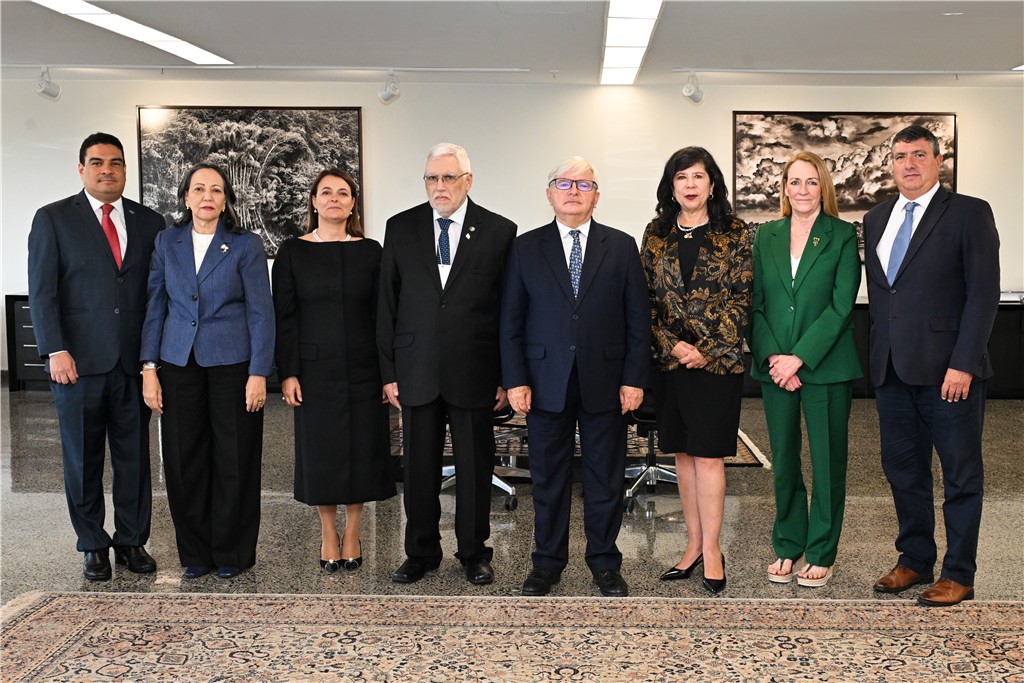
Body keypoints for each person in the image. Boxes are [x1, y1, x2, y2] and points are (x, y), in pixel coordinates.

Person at [501, 156, 649, 597]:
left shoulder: (620, 246)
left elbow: (638, 319)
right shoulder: (525, 247)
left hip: (607, 381)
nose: (573, 191)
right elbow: (510, 321)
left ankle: (605, 563)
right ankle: (547, 564)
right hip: (544, 381)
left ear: (596, 196)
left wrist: (634, 378)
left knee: (605, 478)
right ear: (549, 194)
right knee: (548, 480)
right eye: (563, 183)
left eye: (583, 184)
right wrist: (516, 379)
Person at [865, 125, 1000, 607]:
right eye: (900, 156)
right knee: (904, 472)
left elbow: (983, 294)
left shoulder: (968, 213)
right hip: (892, 371)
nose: (909, 164)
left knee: (960, 475)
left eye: (919, 154)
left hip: (950, 375)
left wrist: (964, 364)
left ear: (939, 161)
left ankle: (959, 572)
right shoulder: (876, 218)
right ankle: (915, 559)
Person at [378, 143, 517, 586]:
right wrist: (388, 372)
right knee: (418, 468)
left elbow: (508, 310)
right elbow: (387, 304)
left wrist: (505, 376)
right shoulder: (400, 227)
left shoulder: (499, 231)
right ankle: (420, 552)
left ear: (467, 181)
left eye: (448, 177)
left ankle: (474, 553)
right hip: (415, 368)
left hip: (475, 370)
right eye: (432, 178)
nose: (439, 186)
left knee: (475, 467)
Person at [28, 132, 164, 581]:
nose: (107, 170)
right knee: (83, 459)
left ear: (125, 169)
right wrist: (55, 349)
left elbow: (154, 294)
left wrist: (151, 360)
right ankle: (92, 544)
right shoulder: (53, 219)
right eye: (98, 162)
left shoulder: (150, 222)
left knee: (134, 458)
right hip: (77, 364)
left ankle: (132, 540)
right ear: (81, 169)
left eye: (116, 162)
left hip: (132, 363)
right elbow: (42, 291)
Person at [140, 162, 275, 580]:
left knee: (235, 457)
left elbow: (261, 312)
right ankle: (196, 552)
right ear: (186, 197)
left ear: (225, 199)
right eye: (199, 189)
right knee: (184, 459)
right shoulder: (167, 241)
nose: (207, 197)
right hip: (178, 364)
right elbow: (155, 306)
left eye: (216, 190)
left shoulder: (245, 244)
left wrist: (259, 372)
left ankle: (232, 551)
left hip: (233, 365)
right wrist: (149, 367)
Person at [747, 151, 862, 588]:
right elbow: (754, 304)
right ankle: (788, 543)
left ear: (823, 187)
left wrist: (799, 357)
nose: (802, 190)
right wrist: (774, 358)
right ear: (784, 188)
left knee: (827, 463)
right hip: (775, 367)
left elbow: (841, 305)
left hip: (825, 366)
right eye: (794, 182)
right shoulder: (767, 235)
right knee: (784, 461)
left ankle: (821, 551)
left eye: (811, 182)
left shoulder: (842, 234)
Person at [641, 147, 752, 595]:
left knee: (707, 456)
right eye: (681, 177)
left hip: (717, 365)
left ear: (712, 184)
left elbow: (743, 299)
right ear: (671, 186)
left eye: (698, 176)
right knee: (682, 456)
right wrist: (672, 344)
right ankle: (691, 545)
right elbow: (645, 300)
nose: (690, 185)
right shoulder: (655, 234)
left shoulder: (734, 232)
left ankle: (712, 550)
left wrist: (705, 349)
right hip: (670, 364)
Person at [273, 168, 396, 573]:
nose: (334, 199)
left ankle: (354, 531)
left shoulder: (371, 251)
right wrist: (288, 372)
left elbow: (384, 316)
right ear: (313, 201)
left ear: (353, 203)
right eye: (326, 192)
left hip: (364, 369)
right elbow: (285, 316)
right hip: (313, 371)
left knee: (362, 450)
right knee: (321, 453)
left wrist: (387, 373)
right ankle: (328, 532)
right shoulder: (293, 251)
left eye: (343, 193)